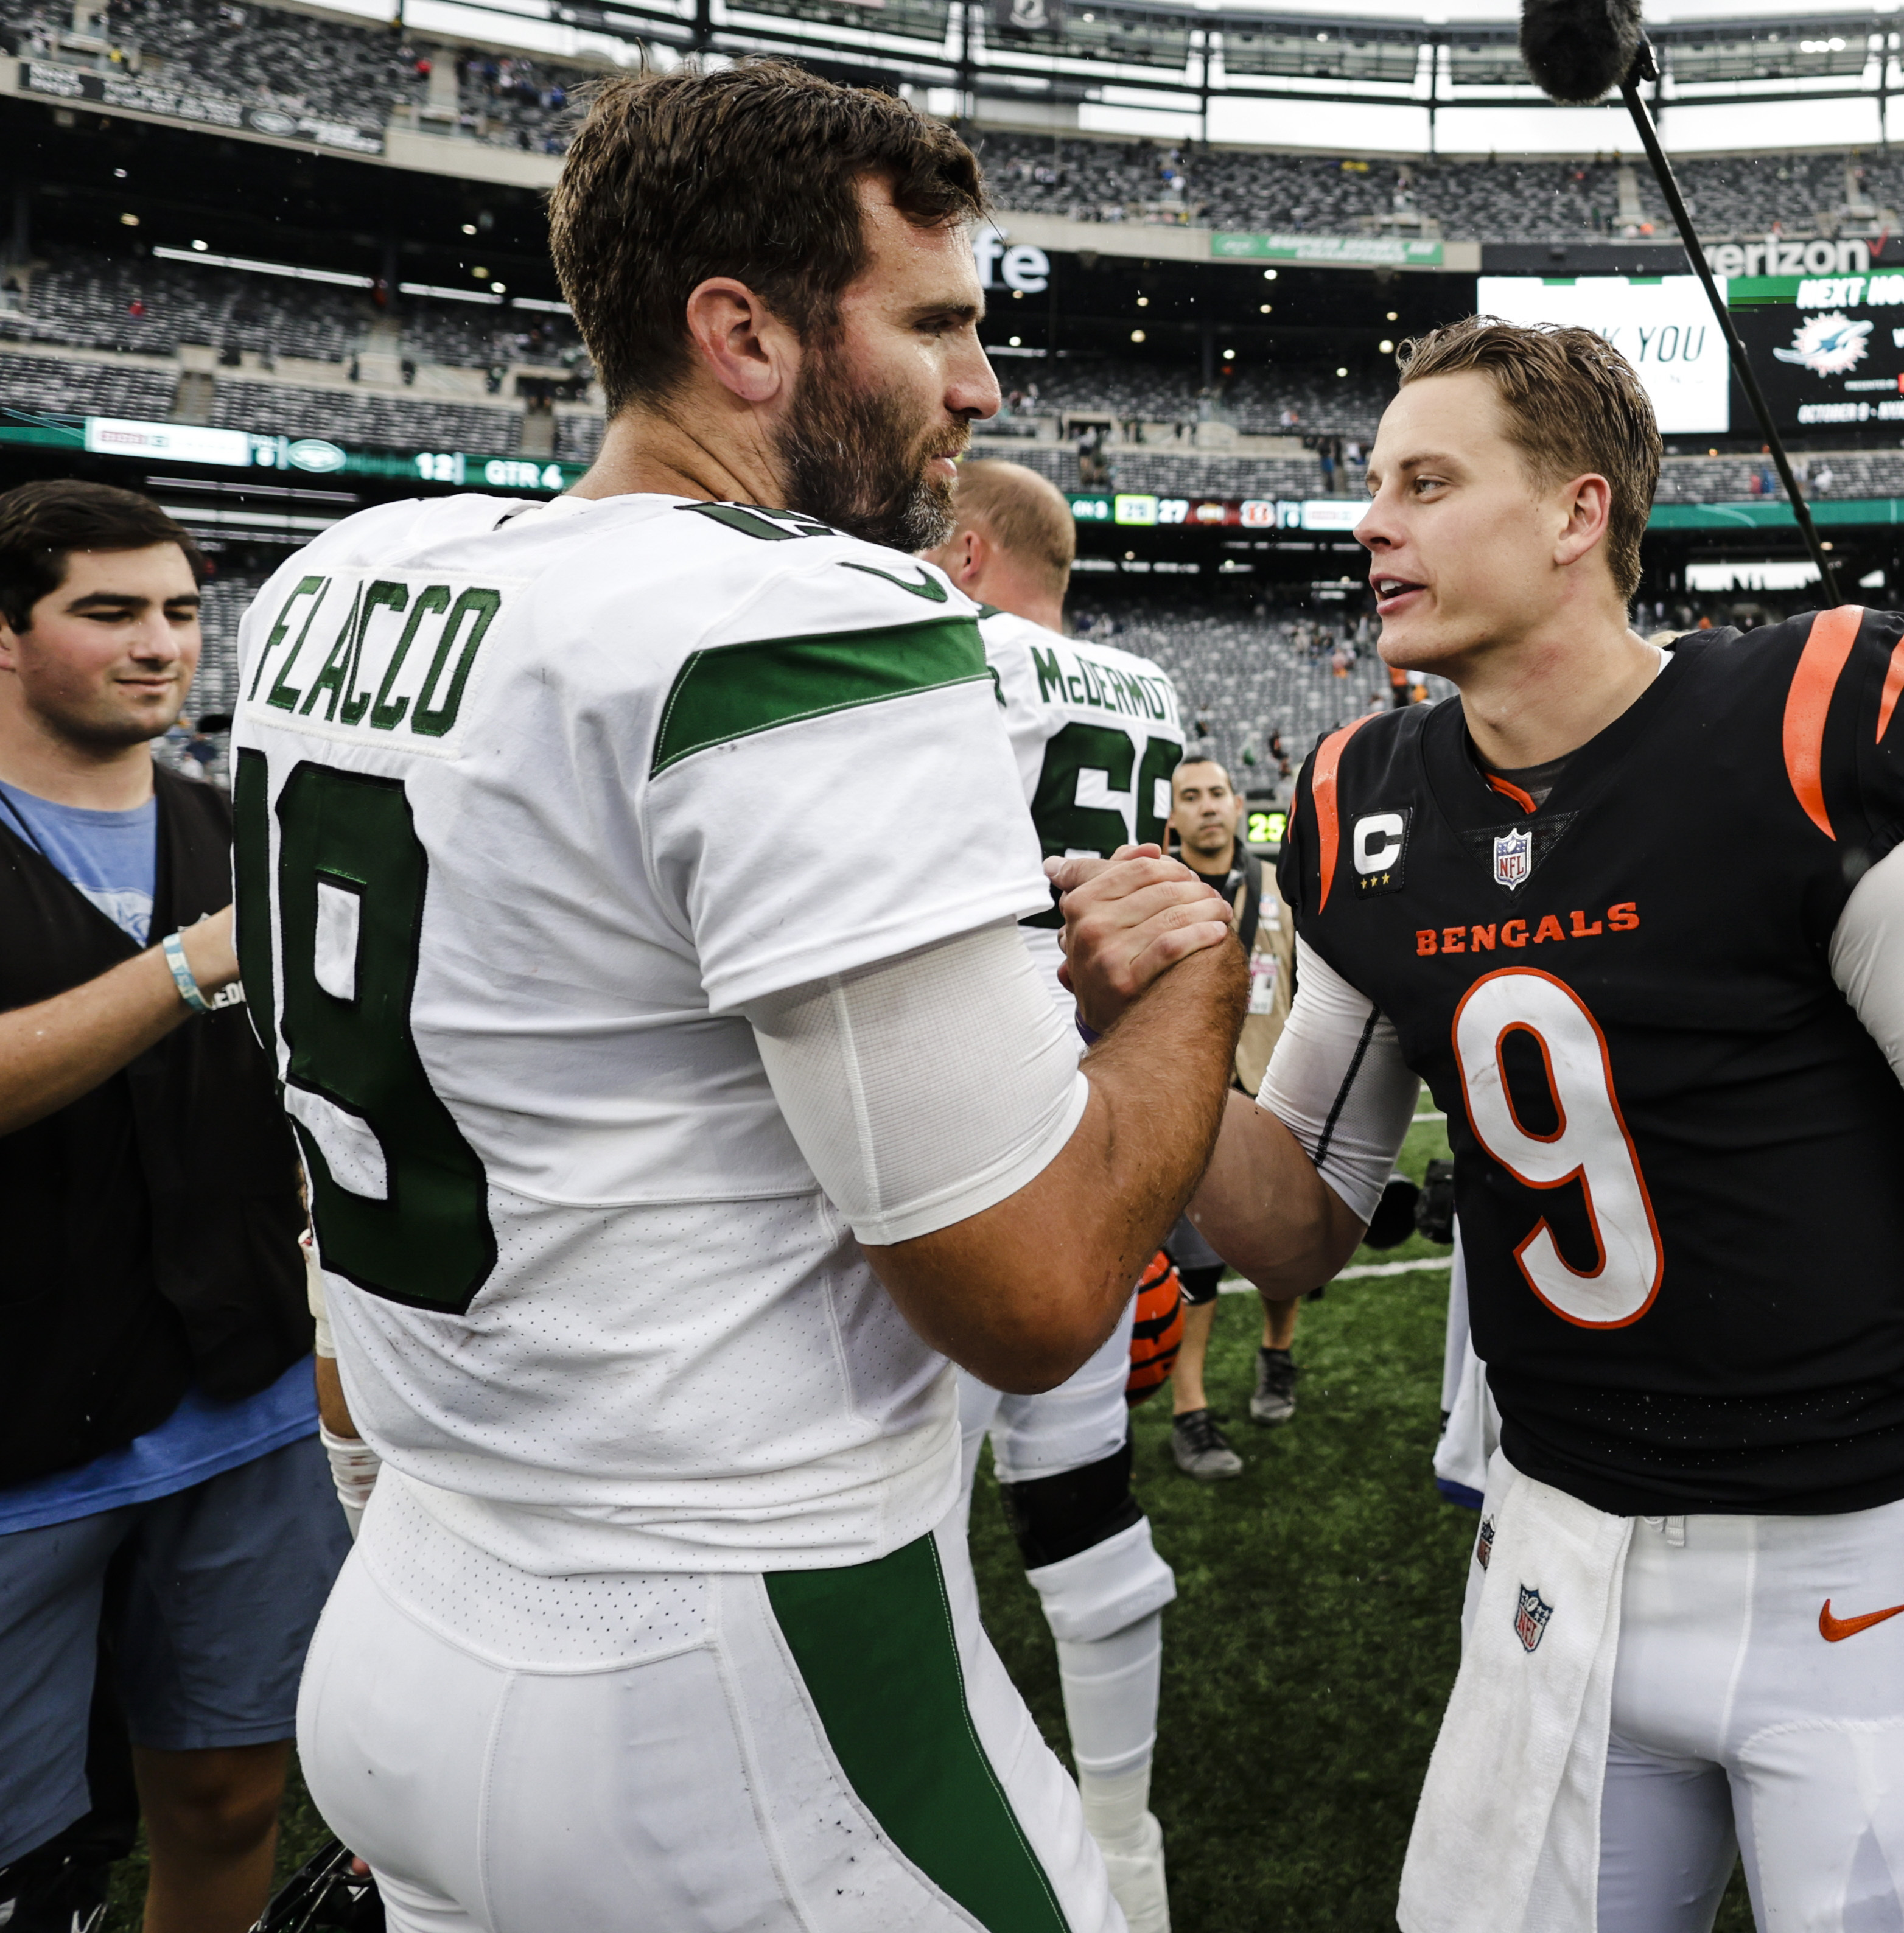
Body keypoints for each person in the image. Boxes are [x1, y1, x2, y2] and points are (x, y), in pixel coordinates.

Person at [1150, 319, 1904, 1933]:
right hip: (1548, 1555)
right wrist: (1156, 1042)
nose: (1374, 522)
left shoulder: (1800, 738)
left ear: (1580, 514)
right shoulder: (1369, 804)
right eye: (1374, 484)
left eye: (1427, 482)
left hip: (1850, 1572)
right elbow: (1292, 1225)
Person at [243, 61, 1244, 1933]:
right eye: (937, 321)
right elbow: (1031, 1297)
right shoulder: (812, 616)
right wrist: (1199, 964)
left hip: (408, 1598)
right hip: (735, 1660)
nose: (983, 383)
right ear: (745, 335)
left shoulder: (338, 579)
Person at [0, 481, 337, 1933]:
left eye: (183, 611)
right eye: (110, 611)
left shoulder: (237, 823)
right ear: (6, 635)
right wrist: (186, 969)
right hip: (22, 1435)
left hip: (242, 1407)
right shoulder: (217, 897)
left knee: (229, 1798)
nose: (161, 645)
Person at [920, 457, 1193, 1929]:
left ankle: (962, 1839)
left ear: (962, 549)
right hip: (1091, 1106)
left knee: (905, 1523)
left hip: (958, 1115)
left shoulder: (931, 640)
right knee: (1084, 1493)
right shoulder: (1140, 683)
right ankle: (1124, 1839)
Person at [1153, 756, 1304, 1482]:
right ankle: (1191, 1409)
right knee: (1197, 1270)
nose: (1207, 807)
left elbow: (1309, 990)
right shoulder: (1155, 892)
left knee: (1283, 1255)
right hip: (1188, 1103)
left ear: (1239, 804)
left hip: (1270, 1093)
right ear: (1172, 815)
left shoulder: (1282, 887)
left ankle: (1277, 1358)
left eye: (1217, 793)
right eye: (1191, 796)